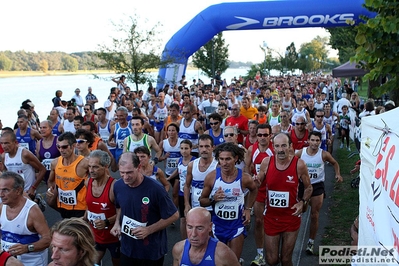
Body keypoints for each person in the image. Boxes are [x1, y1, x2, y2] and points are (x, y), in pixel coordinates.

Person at [110, 152, 179, 265]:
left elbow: (174, 215)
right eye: (122, 173)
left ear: (139, 167)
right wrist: (117, 223)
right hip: (127, 249)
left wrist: (148, 230)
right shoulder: (118, 185)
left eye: (129, 172)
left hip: (150, 251)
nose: (125, 177)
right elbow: (119, 207)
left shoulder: (156, 189)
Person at [257, 133, 312, 266]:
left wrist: (302, 202)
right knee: (272, 260)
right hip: (271, 217)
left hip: (290, 218)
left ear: (290, 146)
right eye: (277, 146)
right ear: (273, 147)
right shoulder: (267, 162)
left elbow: (309, 187)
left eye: (283, 146)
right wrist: (253, 181)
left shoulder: (299, 164)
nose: (280, 149)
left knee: (286, 259)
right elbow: (258, 182)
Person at [200, 143, 257, 262]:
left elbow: (254, 189)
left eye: (228, 159)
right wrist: (213, 199)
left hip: (236, 226)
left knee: (232, 261)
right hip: (217, 225)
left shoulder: (244, 178)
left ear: (235, 159)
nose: (224, 163)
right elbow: (202, 201)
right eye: (221, 159)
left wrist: (248, 209)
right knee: (218, 261)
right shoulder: (211, 177)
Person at [295, 131, 343, 255]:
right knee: (300, 212)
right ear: (308, 141)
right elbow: (291, 160)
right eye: (313, 140)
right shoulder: (301, 152)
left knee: (314, 215)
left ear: (320, 142)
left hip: (317, 186)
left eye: (317, 140)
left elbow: (334, 163)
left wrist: (337, 174)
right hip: (303, 186)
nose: (315, 143)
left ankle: (310, 242)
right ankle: (292, 238)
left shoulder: (324, 154)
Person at [0, 171, 50, 265]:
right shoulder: (2, 207)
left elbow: (48, 239)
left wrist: (27, 248)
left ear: (18, 191)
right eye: (0, 190)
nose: (1, 194)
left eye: (5, 190)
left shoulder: (32, 211)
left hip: (32, 262)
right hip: (10, 262)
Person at [244, 124, 274, 266]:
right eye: (259, 135)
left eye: (265, 135)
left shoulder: (276, 149)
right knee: (259, 222)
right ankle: (260, 253)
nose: (262, 138)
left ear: (270, 136)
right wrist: (250, 180)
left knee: (273, 222)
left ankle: (274, 251)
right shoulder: (252, 149)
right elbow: (246, 168)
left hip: (274, 191)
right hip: (258, 191)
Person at [84, 150, 120, 265]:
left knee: (117, 262)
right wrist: (83, 219)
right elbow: (89, 206)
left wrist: (107, 221)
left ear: (105, 166)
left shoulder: (115, 186)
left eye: (95, 167)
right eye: (89, 166)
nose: (91, 170)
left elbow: (124, 211)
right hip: (95, 235)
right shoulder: (87, 182)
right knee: (91, 262)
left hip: (114, 237)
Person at [172, 207, 241, 266]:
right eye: (190, 227)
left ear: (210, 227)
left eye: (199, 228)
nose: (193, 234)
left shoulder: (222, 253)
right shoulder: (178, 249)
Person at [47, 132, 89, 218]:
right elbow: (50, 181)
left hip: (80, 208)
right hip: (63, 207)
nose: (61, 150)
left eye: (64, 147)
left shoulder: (84, 163)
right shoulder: (55, 163)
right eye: (59, 147)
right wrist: (50, 190)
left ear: (73, 146)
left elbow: (98, 182)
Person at [1, 131, 46, 199]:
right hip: (14, 192)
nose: (4, 146)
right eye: (2, 143)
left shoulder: (24, 154)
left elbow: (42, 169)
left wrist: (33, 188)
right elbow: (5, 173)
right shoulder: (4, 156)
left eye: (7, 143)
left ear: (15, 142)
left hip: (27, 192)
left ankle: (37, 200)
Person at [167, 140, 196, 239]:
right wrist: (170, 177)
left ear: (191, 149)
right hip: (182, 192)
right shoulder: (179, 160)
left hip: (194, 193)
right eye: (182, 148)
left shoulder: (195, 161)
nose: (184, 151)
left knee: (193, 219)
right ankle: (185, 241)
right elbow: (178, 170)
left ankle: (195, 238)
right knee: (183, 219)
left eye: (186, 148)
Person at [184, 135, 218, 215]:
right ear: (198, 148)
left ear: (213, 147)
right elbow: (187, 186)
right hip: (196, 207)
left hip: (213, 208)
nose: (204, 150)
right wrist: (186, 204)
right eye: (201, 146)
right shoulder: (192, 165)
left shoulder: (218, 165)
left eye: (207, 146)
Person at [159, 123, 183, 206]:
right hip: (168, 171)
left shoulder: (181, 142)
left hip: (179, 172)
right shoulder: (163, 143)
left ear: (177, 132)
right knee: (175, 191)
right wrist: (164, 157)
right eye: (169, 130)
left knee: (174, 193)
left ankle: (175, 212)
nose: (171, 132)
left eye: (173, 130)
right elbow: (158, 158)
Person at [35, 120, 61, 184]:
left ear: (51, 128)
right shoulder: (39, 143)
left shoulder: (58, 140)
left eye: (44, 127)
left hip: (58, 176)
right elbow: (38, 161)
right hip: (45, 177)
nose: (42, 130)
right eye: (40, 128)